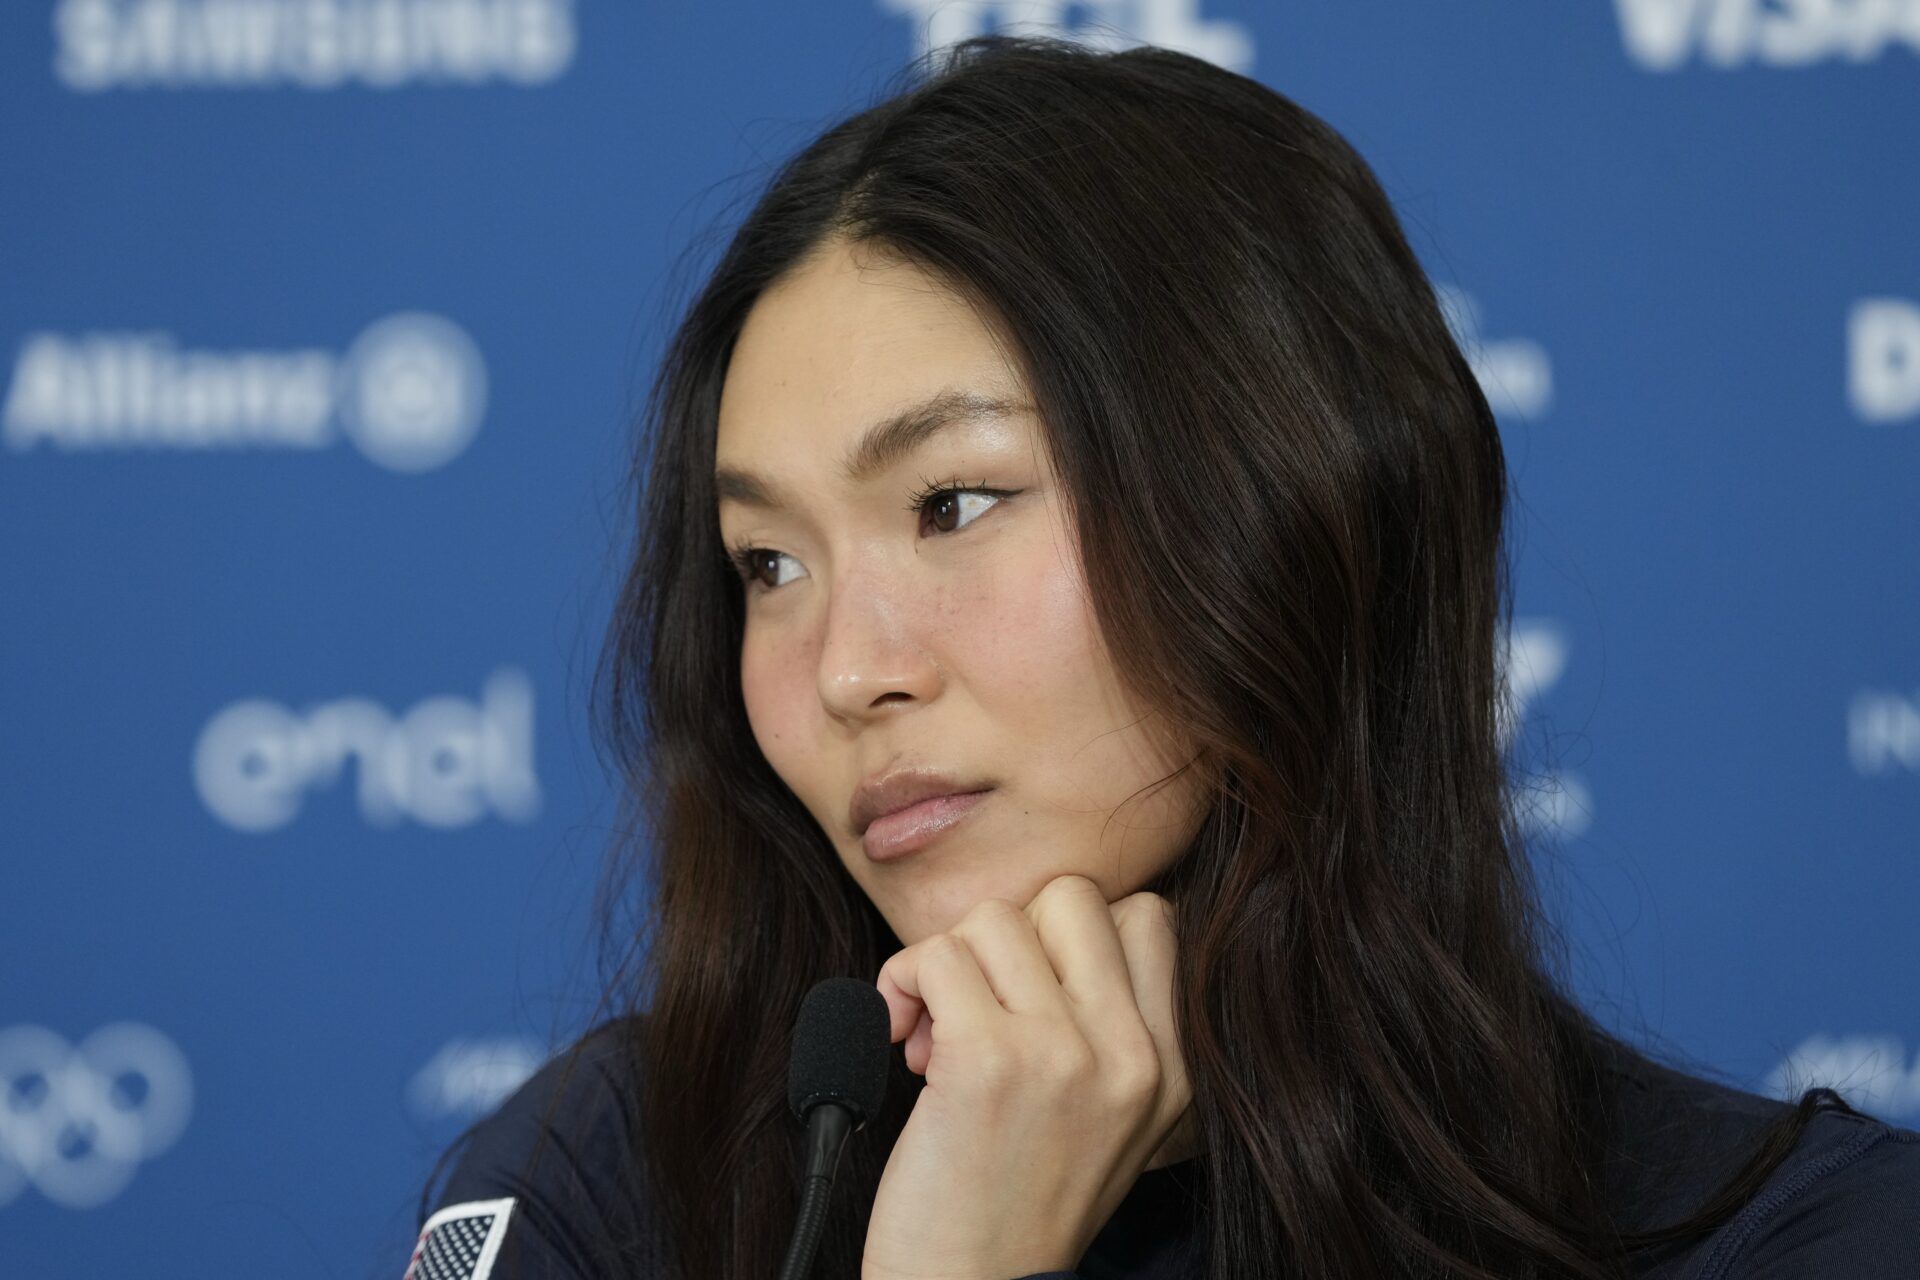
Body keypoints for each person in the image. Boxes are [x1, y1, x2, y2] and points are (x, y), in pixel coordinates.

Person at [403, 32, 1920, 1280]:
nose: (849, 671)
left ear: (1283, 509)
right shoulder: (601, 1185)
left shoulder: (1808, 1239)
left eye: (954, 503)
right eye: (769, 565)